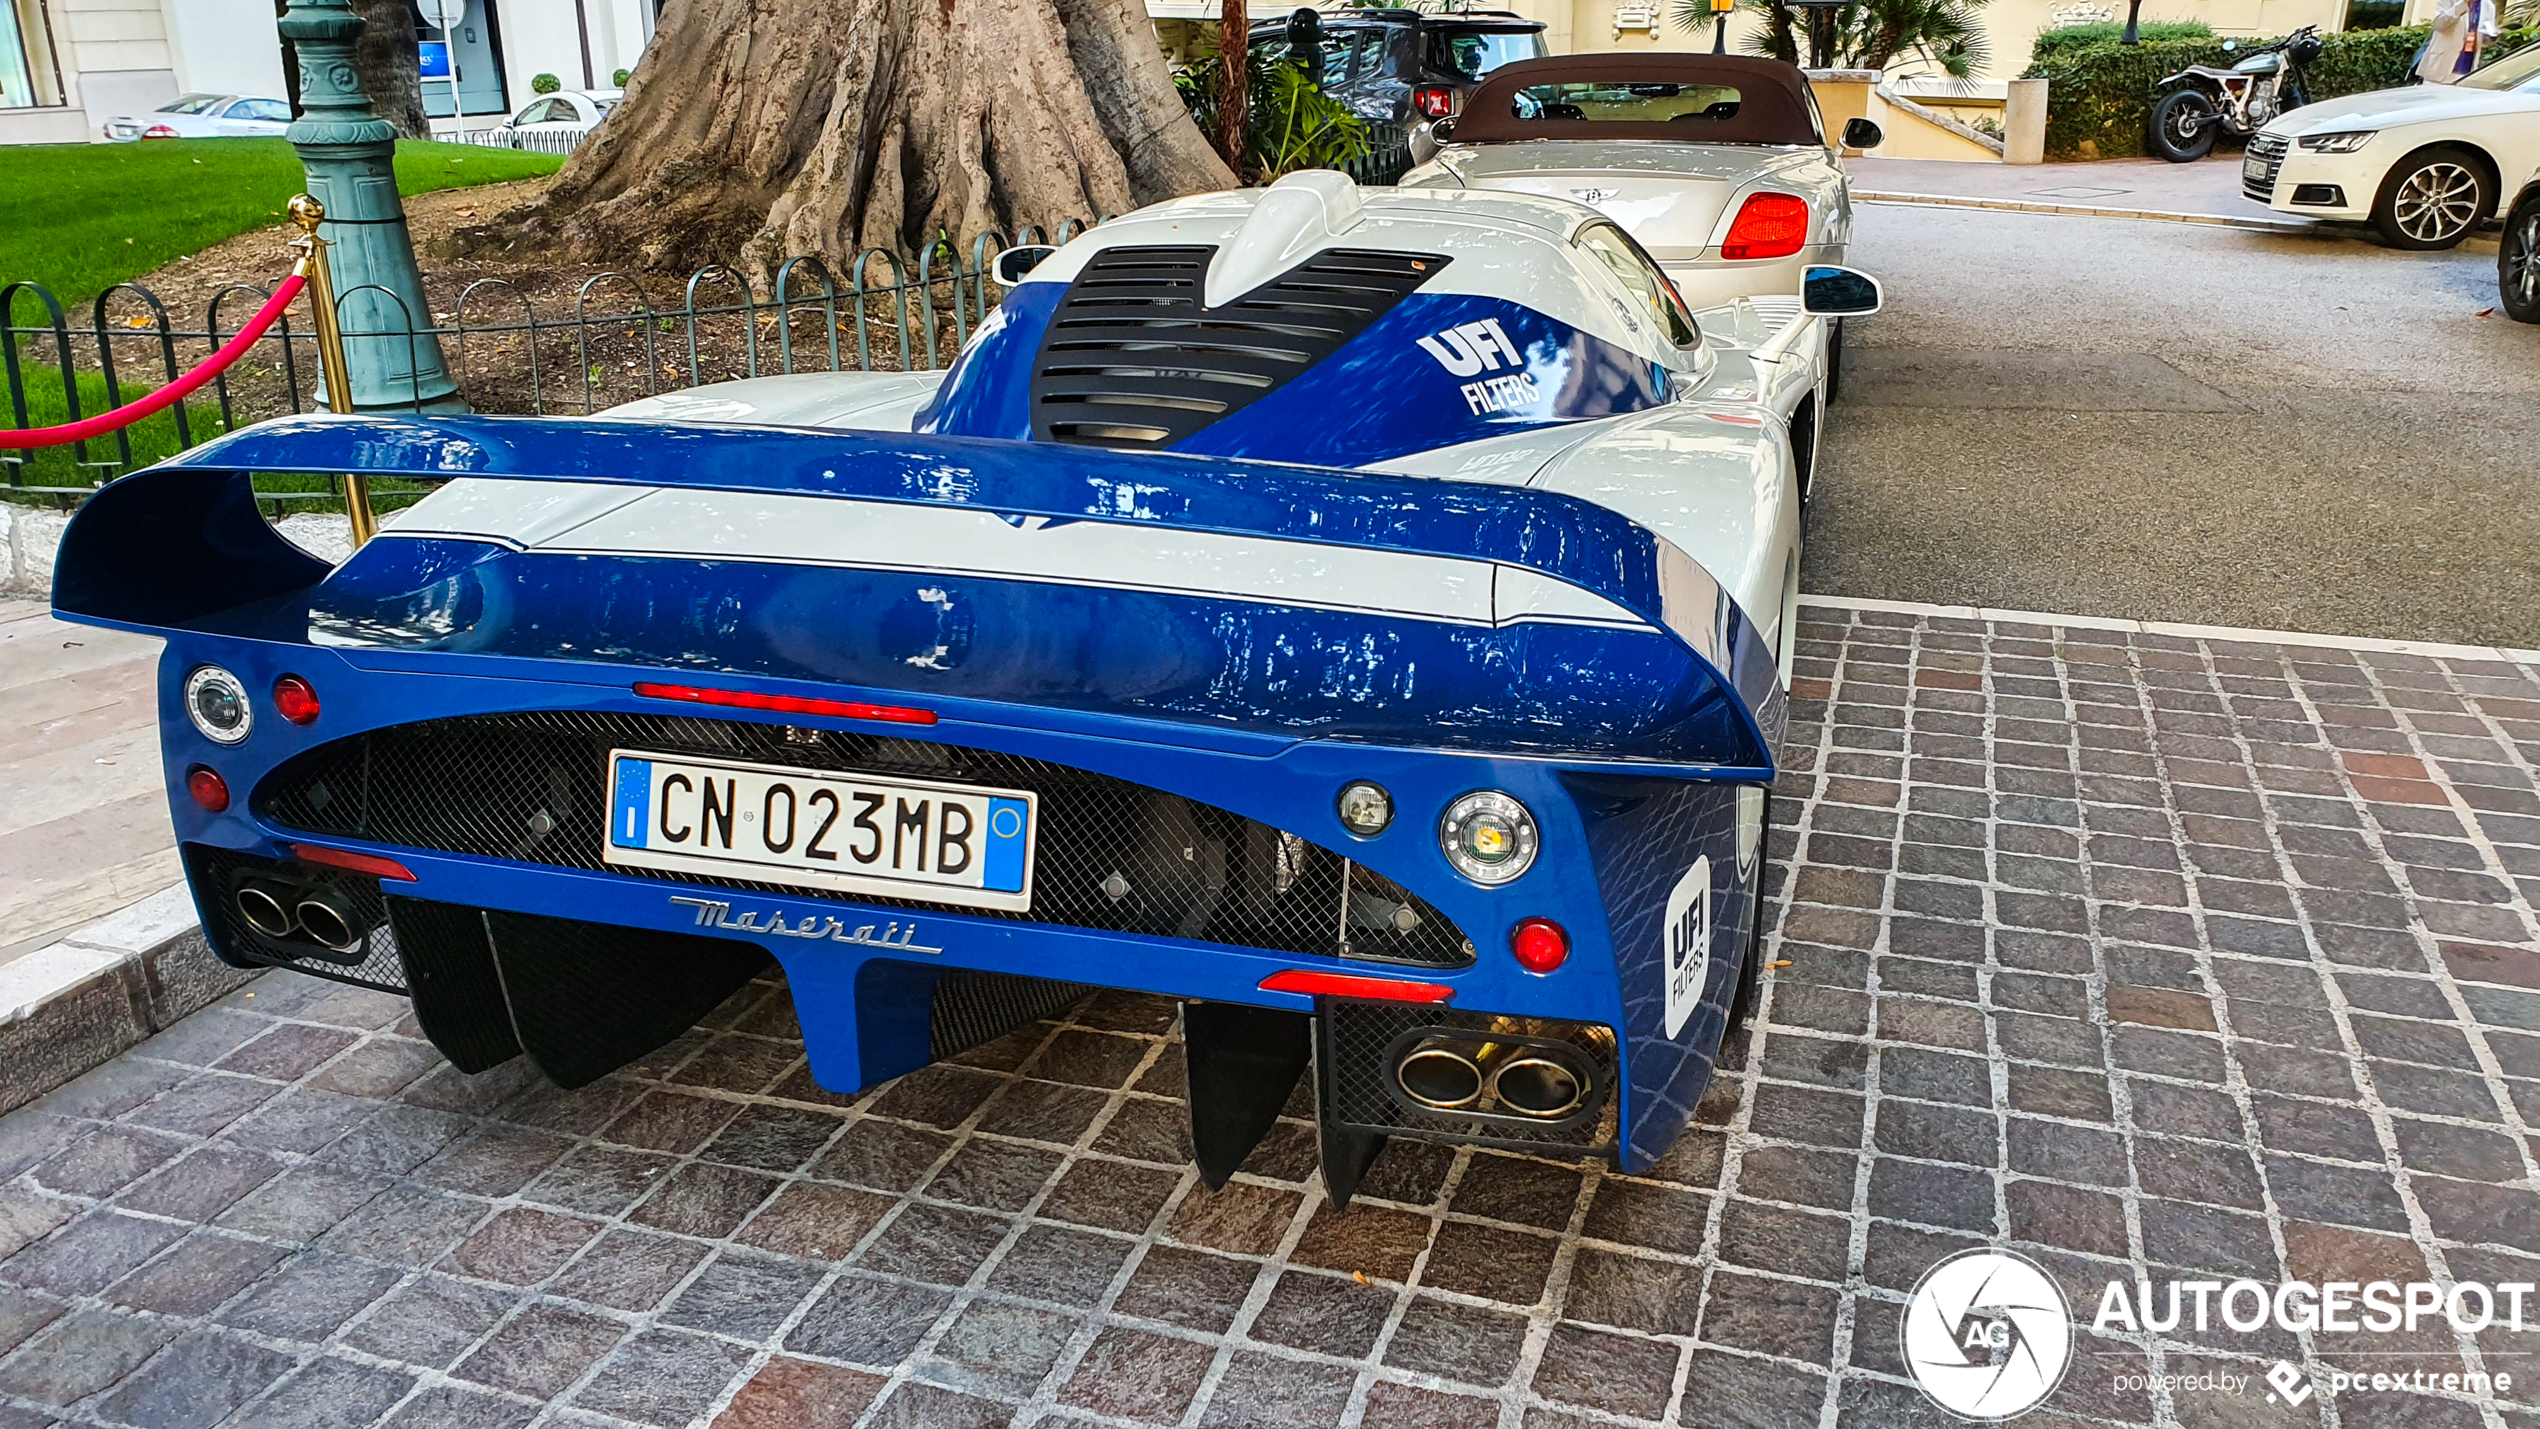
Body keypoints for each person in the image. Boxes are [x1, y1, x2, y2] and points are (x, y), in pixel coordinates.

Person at [2418, 0, 2501, 83]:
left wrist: (2492, 36)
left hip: (2467, 69)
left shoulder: (2488, 5)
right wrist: (2461, 5)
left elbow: (2484, 39)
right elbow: (2438, 24)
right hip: (2441, 67)